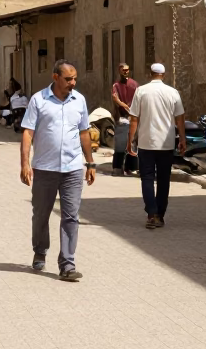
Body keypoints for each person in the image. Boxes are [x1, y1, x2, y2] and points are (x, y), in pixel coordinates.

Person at [20, 60, 96, 282]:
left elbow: (84, 133)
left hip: (72, 168)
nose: (72, 83)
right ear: (55, 77)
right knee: (41, 214)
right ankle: (40, 249)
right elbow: (27, 133)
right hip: (45, 168)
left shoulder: (79, 100)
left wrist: (90, 163)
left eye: (74, 79)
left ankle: (67, 264)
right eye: (68, 79)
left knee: (71, 216)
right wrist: (25, 163)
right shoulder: (38, 100)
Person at [128, 63, 186, 229]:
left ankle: (151, 213)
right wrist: (182, 139)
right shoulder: (172, 92)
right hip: (166, 144)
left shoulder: (141, 91)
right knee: (163, 180)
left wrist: (130, 140)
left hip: (146, 143)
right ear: (164, 75)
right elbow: (180, 118)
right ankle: (160, 215)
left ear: (150, 73)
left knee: (147, 178)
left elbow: (134, 119)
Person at [110, 64, 139, 176]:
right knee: (121, 144)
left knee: (132, 143)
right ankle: (118, 167)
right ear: (120, 71)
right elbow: (115, 97)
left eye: (127, 70)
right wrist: (123, 105)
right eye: (124, 70)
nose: (126, 72)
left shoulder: (134, 84)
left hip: (133, 118)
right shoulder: (116, 85)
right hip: (122, 118)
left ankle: (130, 168)